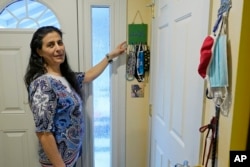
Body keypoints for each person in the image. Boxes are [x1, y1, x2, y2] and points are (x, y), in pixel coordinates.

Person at [24, 26, 126, 167]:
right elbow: (43, 133)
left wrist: (110, 56)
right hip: (57, 162)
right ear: (39, 51)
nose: (58, 48)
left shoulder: (65, 77)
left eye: (60, 42)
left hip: (71, 156)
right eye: (50, 45)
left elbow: (88, 75)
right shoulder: (42, 84)